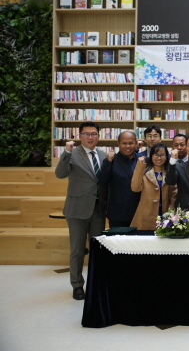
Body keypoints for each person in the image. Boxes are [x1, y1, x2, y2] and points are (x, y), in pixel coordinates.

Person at [55, 122, 107, 300]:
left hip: (98, 210)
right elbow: (60, 174)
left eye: (93, 134)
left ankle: (96, 283)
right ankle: (77, 285)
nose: (90, 137)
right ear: (80, 136)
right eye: (86, 134)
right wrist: (66, 152)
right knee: (77, 250)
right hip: (77, 210)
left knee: (97, 250)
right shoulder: (72, 153)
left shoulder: (103, 155)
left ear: (98, 136)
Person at [98, 131, 140, 228]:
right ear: (118, 144)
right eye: (124, 143)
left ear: (136, 143)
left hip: (139, 211)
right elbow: (103, 181)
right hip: (118, 212)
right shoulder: (111, 160)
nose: (128, 146)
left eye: (131, 143)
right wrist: (108, 162)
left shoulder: (142, 159)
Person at [131, 143, 177, 230]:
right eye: (156, 154)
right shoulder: (144, 172)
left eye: (162, 155)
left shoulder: (170, 173)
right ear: (151, 156)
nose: (159, 158)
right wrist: (140, 165)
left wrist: (170, 212)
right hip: (146, 216)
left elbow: (174, 194)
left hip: (166, 214)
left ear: (167, 156)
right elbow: (135, 188)